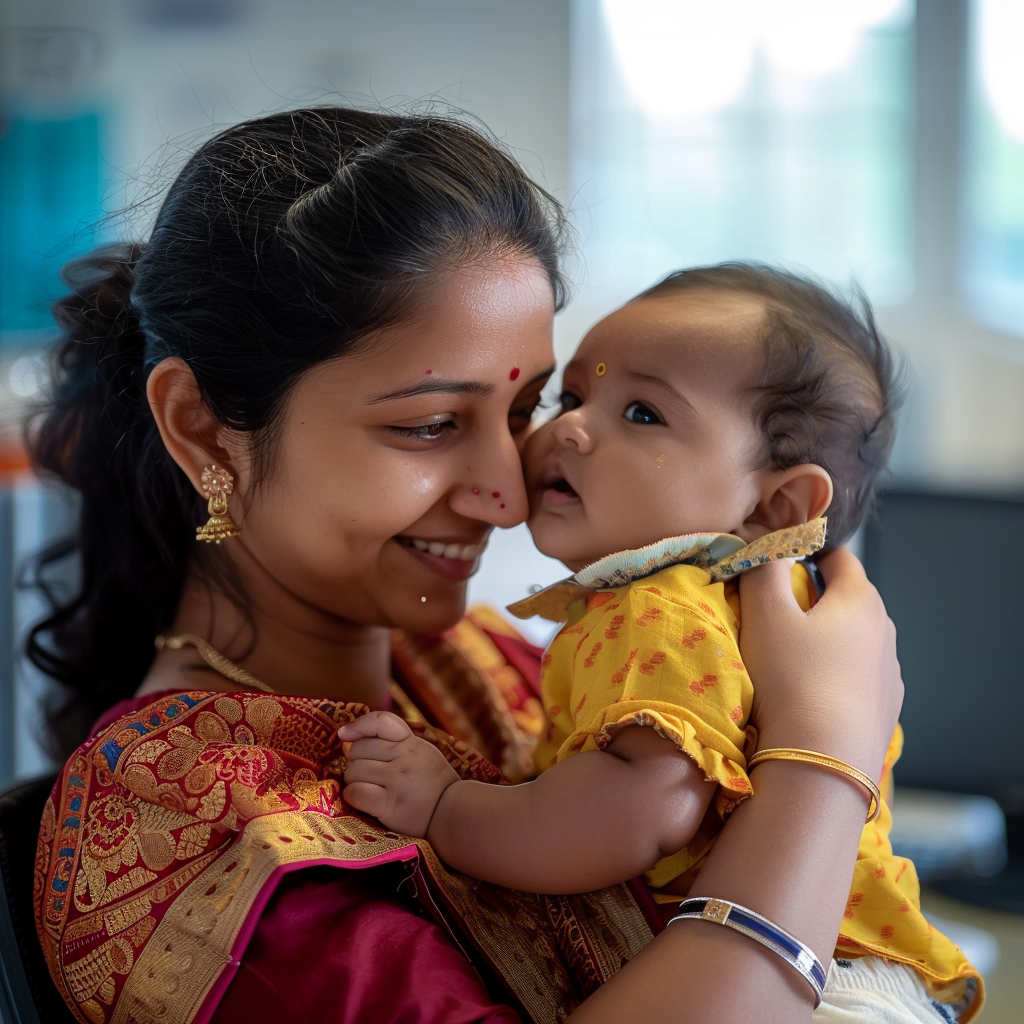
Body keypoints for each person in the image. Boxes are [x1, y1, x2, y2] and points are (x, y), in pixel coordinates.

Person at [27, 105, 908, 1024]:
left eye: (523, 411)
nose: (511, 491)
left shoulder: (486, 662)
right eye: (431, 425)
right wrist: (824, 760)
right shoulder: (186, 822)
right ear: (203, 429)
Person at [341, 264, 981, 1022]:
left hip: (823, 985)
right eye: (572, 397)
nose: (570, 428)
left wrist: (450, 808)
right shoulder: (694, 605)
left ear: (774, 504)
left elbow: (643, 805)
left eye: (642, 413)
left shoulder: (665, 609)